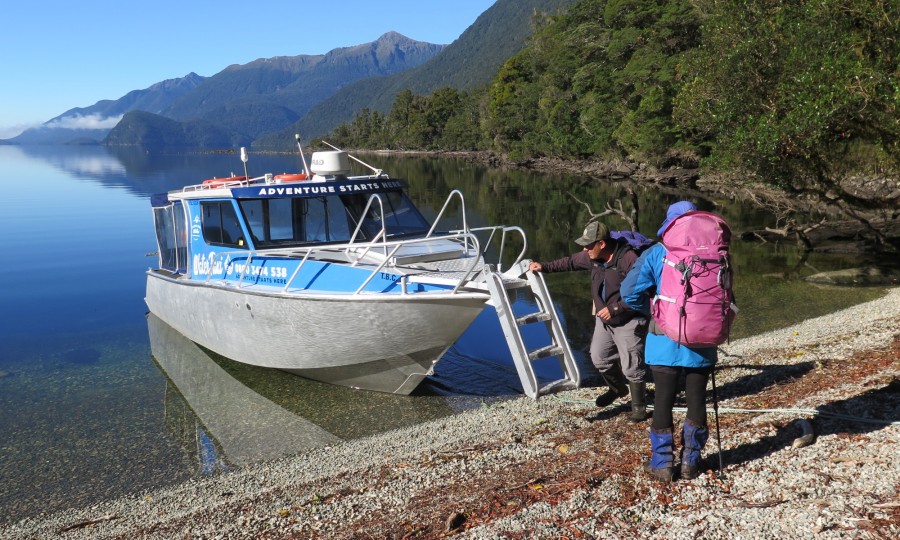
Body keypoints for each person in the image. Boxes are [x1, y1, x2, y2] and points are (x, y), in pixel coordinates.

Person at [620, 201, 715, 482]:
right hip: (703, 339)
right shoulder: (716, 252)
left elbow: (628, 292)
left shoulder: (657, 252)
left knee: (663, 400)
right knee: (697, 399)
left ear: (671, 224)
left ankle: (662, 464)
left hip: (663, 339)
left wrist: (653, 309)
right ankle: (690, 462)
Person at [529, 220, 649, 422]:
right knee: (599, 358)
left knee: (632, 366)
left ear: (601, 243)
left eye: (588, 244)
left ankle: (639, 407)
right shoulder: (592, 257)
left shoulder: (629, 258)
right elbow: (570, 262)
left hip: (629, 319)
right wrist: (545, 267)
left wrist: (616, 308)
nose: (584, 249)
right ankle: (618, 389)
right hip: (604, 319)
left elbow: (643, 291)